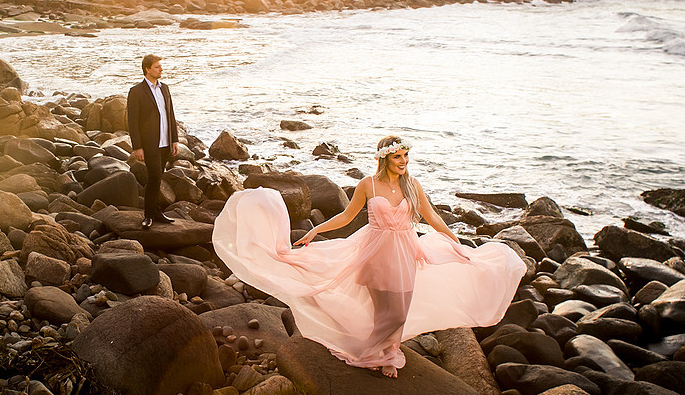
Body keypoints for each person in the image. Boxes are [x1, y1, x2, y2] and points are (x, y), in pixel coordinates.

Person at [212, 135, 527, 378]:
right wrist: (316, 230)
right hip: (375, 253)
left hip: (405, 252)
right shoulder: (368, 185)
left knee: (399, 313)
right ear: (384, 158)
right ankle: (377, 355)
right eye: (398, 156)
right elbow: (347, 217)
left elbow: (432, 217)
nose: (403, 161)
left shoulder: (412, 185)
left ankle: (385, 351)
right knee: (385, 312)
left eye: (405, 156)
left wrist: (455, 242)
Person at [127, 54, 180, 229]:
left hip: (165, 141)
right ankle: (148, 215)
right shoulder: (136, 91)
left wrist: (174, 140)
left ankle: (157, 212)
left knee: (158, 177)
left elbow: (170, 115)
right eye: (157, 66)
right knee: (155, 176)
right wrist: (137, 147)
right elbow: (133, 121)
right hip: (149, 143)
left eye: (160, 66)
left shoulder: (165, 89)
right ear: (147, 69)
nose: (161, 69)